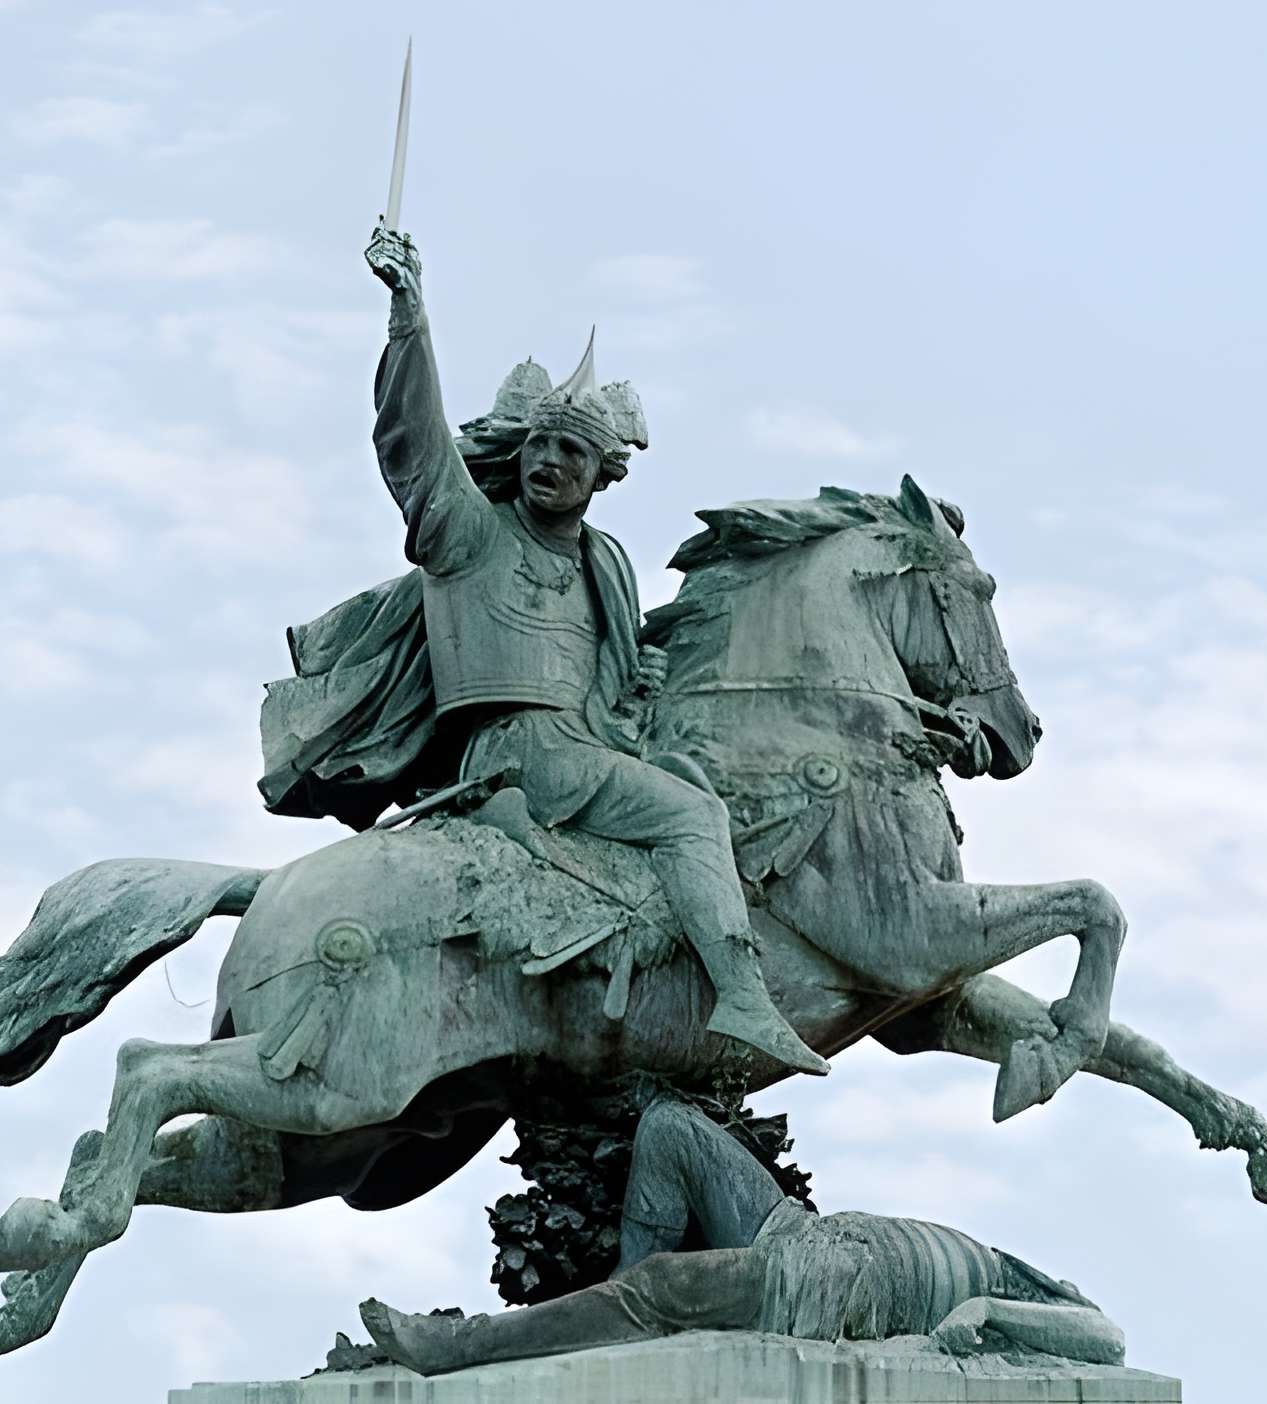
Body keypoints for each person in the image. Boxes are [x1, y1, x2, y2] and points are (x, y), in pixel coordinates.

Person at [358, 225, 826, 1077]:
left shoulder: (604, 562)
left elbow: (608, 693)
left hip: (583, 747)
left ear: (602, 473)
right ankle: (742, 996)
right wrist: (408, 317)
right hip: (524, 752)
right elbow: (414, 446)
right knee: (692, 817)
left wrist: (634, 687)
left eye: (570, 449)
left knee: (697, 782)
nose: (547, 459)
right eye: (539, 444)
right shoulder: (470, 533)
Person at [361, 1099, 1124, 1375]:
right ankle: (615, 1316)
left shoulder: (1034, 1309)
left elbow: (1107, 1339)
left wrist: (989, 1311)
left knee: (665, 1285)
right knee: (669, 1128)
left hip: (846, 1287)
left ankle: (462, 1347)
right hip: (811, 1234)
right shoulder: (1011, 1268)